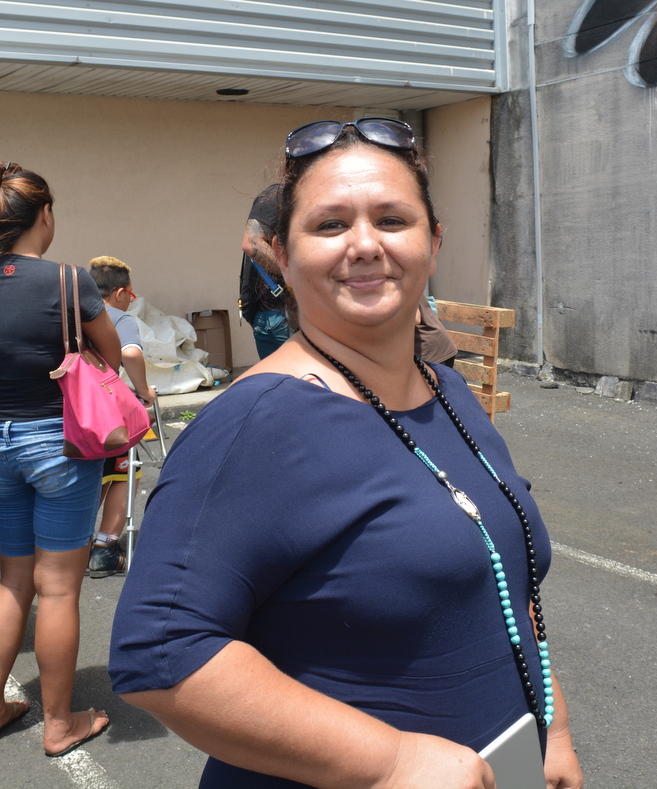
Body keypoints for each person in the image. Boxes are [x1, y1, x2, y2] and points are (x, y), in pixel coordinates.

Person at [108, 119, 583, 789]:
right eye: (330, 225)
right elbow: (160, 652)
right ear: (281, 255)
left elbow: (502, 578)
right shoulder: (256, 422)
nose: (365, 244)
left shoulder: (447, 391)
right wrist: (389, 760)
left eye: (392, 219)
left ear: (433, 242)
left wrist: (550, 729)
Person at [0, 162, 118, 755]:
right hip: (60, 441)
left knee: (11, 580)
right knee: (59, 587)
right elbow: (111, 356)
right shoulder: (69, 281)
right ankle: (59, 724)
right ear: (44, 214)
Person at [86, 256, 156, 578]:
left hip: (62, 413)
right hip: (105, 414)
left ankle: (76, 544)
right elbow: (130, 352)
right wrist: (144, 392)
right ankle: (104, 548)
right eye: (131, 294)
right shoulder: (117, 317)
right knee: (125, 470)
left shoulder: (68, 314)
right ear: (118, 293)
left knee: (88, 475)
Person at [240, 184, 293, 358]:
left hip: (281, 313)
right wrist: (293, 276)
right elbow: (252, 244)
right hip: (278, 312)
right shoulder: (278, 194)